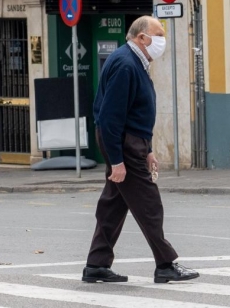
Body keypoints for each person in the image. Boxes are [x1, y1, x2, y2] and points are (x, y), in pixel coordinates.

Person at [83, 16, 199, 284]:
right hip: (123, 143)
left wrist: (147, 149)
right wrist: (117, 161)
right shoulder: (126, 65)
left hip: (130, 142)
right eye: (158, 36)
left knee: (113, 204)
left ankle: (96, 265)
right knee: (149, 204)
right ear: (141, 37)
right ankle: (166, 264)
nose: (162, 41)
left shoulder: (134, 62)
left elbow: (134, 113)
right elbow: (110, 118)